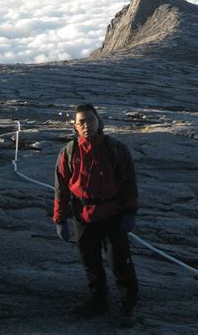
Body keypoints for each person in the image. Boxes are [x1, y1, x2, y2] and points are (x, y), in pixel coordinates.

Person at [53, 103, 139, 327]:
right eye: (81, 122)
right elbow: (61, 189)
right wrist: (60, 219)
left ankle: (128, 305)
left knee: (119, 262)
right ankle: (98, 302)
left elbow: (130, 183)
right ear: (75, 126)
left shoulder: (116, 149)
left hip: (113, 214)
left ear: (99, 122)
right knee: (89, 261)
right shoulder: (68, 152)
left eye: (90, 120)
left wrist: (130, 212)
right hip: (83, 215)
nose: (86, 125)